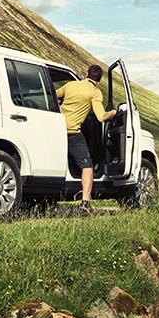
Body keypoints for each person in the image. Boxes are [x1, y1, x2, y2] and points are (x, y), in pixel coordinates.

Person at [56, 65, 117, 211]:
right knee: (87, 167)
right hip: (72, 133)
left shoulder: (70, 85)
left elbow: (53, 94)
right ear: (99, 79)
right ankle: (85, 203)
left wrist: (60, 104)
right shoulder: (95, 92)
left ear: (86, 74)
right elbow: (101, 117)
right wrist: (114, 113)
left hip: (55, 128)